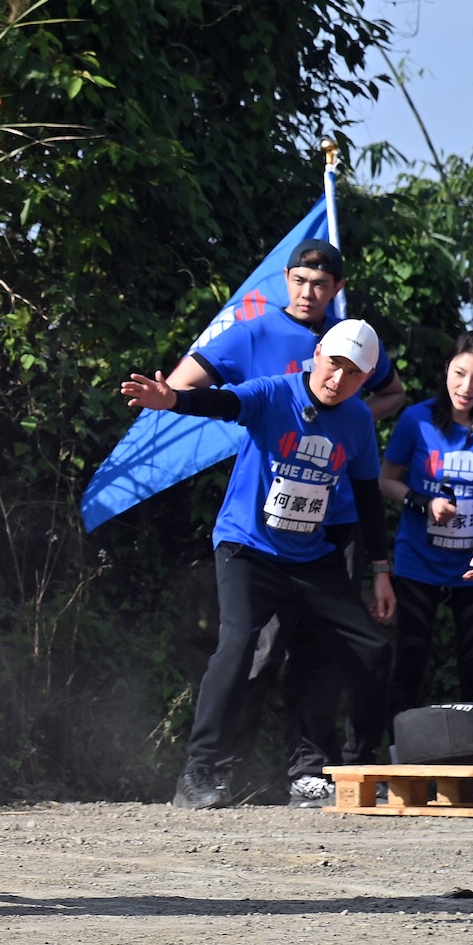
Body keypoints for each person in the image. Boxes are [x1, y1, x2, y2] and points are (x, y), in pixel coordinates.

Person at [165, 240, 404, 806]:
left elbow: (370, 492)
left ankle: (338, 770)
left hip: (320, 543)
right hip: (252, 539)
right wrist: (169, 398)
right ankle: (207, 771)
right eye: (299, 280)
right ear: (315, 355)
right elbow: (218, 399)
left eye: (353, 374)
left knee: (346, 649)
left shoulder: (354, 414)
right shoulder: (270, 372)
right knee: (246, 646)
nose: (308, 291)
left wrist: (380, 569)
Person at [381, 331, 473, 713]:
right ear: (445, 370)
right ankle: (396, 760)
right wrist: (422, 501)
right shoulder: (416, 420)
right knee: (411, 658)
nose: (466, 387)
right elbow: (385, 479)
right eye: (459, 373)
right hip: (418, 560)